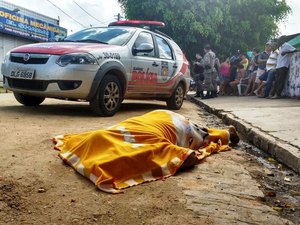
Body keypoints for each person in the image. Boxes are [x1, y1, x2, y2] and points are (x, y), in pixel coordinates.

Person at [53, 110, 239, 193]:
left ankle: (226, 133)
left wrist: (195, 155)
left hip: (175, 124)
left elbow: (187, 157)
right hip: (158, 118)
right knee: (200, 137)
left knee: (203, 139)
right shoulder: (111, 134)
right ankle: (223, 132)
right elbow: (186, 158)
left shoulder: (154, 145)